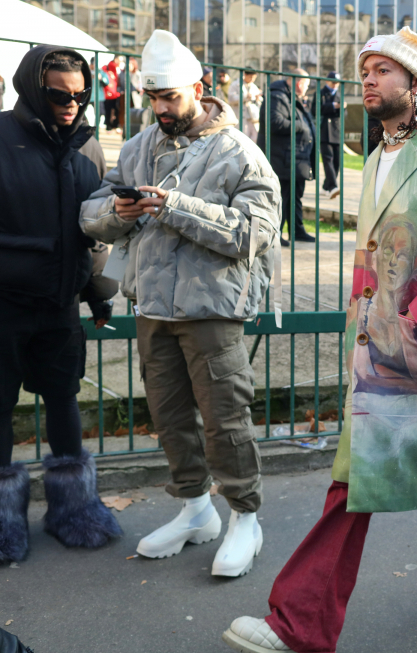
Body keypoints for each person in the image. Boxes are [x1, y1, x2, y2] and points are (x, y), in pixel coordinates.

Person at [221, 26, 417, 653]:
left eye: (384, 70)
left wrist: (413, 318)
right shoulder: (375, 156)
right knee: (352, 483)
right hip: (381, 358)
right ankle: (300, 625)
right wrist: (361, 322)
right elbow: (373, 252)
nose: (369, 80)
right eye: (367, 70)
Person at [79, 30, 282, 578]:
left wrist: (173, 207)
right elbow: (91, 212)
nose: (160, 108)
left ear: (198, 87)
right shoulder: (141, 145)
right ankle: (196, 509)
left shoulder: (240, 151)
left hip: (213, 310)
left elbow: (252, 234)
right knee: (169, 418)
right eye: (152, 97)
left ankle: (245, 516)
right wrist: (118, 213)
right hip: (152, 308)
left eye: (170, 96)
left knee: (225, 420)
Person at [0, 47, 123, 568]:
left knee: (64, 400)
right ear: (33, 88)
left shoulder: (88, 148)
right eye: (57, 94)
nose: (71, 104)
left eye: (80, 94)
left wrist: (96, 292)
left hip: (59, 306)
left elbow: (91, 232)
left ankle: (77, 511)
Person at [258, 69, 317, 245]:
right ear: (298, 83)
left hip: (295, 157)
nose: (306, 88)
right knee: (282, 197)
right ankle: (276, 233)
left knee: (295, 196)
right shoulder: (278, 96)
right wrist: (301, 126)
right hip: (283, 158)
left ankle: (296, 230)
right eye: (306, 84)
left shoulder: (291, 97)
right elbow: (274, 122)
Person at [312, 71, 343, 200]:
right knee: (328, 160)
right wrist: (332, 106)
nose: (335, 85)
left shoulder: (340, 95)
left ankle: (326, 186)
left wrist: (341, 108)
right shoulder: (320, 93)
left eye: (337, 83)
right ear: (327, 82)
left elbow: (343, 114)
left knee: (337, 162)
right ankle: (333, 187)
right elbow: (315, 109)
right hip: (324, 131)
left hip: (336, 131)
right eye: (333, 82)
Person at [228, 69, 263, 142]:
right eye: (250, 77)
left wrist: (258, 98)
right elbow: (231, 98)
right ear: (245, 75)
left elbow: (259, 101)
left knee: (254, 138)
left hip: (252, 117)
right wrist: (245, 96)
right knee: (242, 138)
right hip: (240, 116)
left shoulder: (254, 86)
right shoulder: (235, 85)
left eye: (254, 78)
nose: (252, 80)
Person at [101, 55, 123, 132]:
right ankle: (108, 126)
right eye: (120, 60)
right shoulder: (107, 68)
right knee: (108, 110)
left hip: (117, 93)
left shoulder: (119, 69)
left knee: (117, 110)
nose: (121, 62)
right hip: (109, 93)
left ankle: (115, 125)